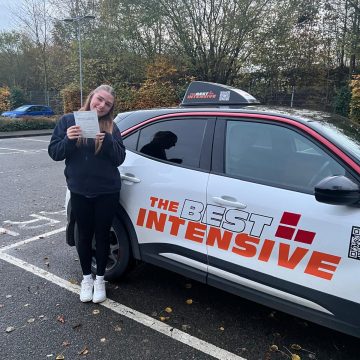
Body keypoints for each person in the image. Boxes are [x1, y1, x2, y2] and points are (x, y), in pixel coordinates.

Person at [48, 84, 126, 303]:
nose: (101, 105)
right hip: (80, 191)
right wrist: (68, 140)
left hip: (107, 191)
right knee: (83, 235)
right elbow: (54, 152)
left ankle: (100, 279)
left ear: (111, 108)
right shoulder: (68, 121)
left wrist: (108, 141)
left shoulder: (111, 126)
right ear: (92, 96)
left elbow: (120, 158)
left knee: (101, 235)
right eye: (99, 99)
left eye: (107, 104)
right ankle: (86, 279)